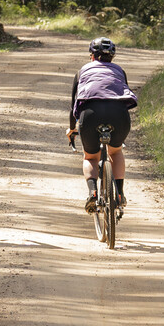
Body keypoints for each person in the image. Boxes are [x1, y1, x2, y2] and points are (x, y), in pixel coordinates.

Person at [67, 36, 138, 213]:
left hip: (90, 115)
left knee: (91, 157)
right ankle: (120, 194)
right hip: (119, 116)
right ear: (112, 57)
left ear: (91, 56)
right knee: (116, 151)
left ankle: (92, 193)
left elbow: (73, 104)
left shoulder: (82, 71)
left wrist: (72, 129)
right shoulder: (119, 71)